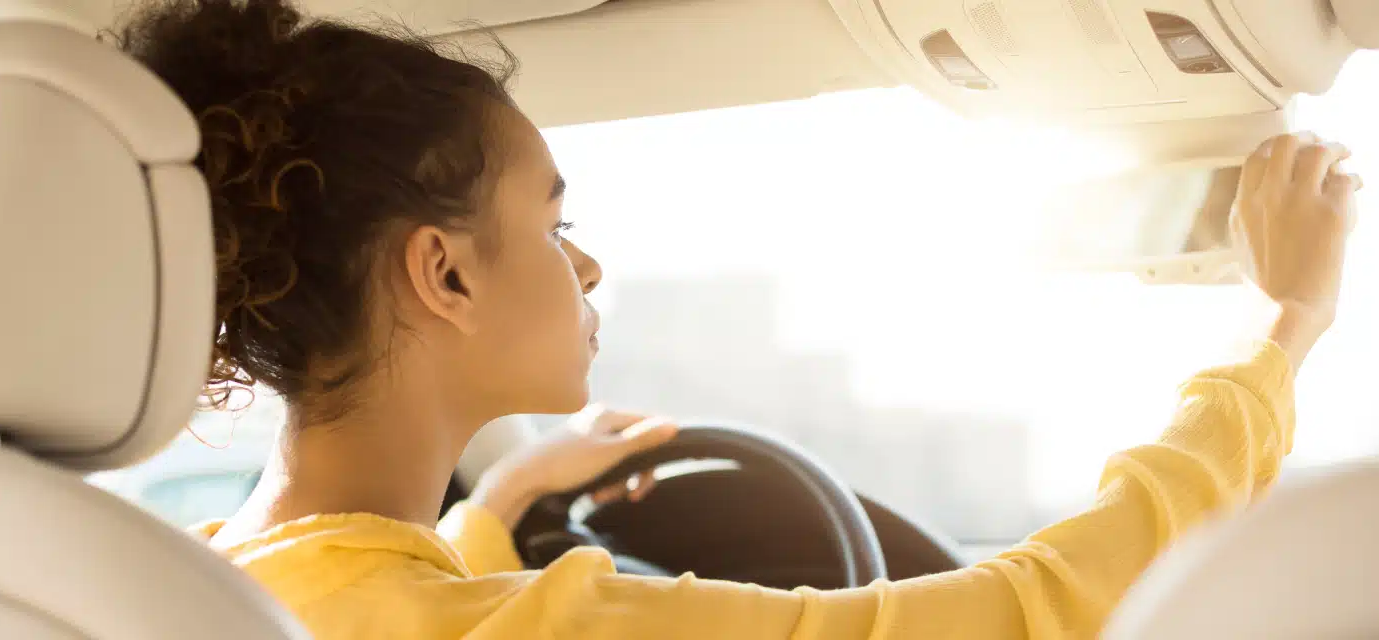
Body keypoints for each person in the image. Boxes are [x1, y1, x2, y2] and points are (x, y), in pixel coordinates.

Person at [117, 0, 1363, 637]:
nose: (586, 262)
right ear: (442, 275)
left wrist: (491, 515)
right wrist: (1280, 331)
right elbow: (1028, 614)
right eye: (553, 223)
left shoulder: (216, 580)